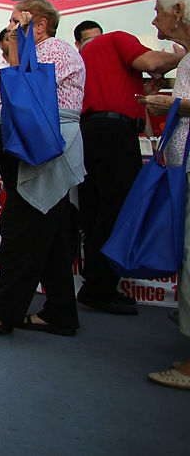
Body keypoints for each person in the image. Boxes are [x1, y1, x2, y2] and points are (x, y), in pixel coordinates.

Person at [0, 0, 85, 337]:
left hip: (42, 147)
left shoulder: (55, 49)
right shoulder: (40, 49)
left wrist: (17, 39)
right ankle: (60, 312)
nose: (11, 27)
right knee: (49, 233)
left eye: (17, 21)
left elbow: (27, 87)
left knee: (21, 229)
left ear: (40, 24)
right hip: (35, 145)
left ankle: (1, 312)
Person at [77, 25, 180, 315]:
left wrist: (141, 91)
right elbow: (153, 62)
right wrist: (182, 56)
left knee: (96, 212)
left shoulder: (92, 54)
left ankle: (98, 284)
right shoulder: (119, 39)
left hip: (92, 131)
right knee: (116, 210)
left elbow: (117, 87)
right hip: (113, 133)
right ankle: (99, 288)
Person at [142, 0, 190, 390]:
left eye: (159, 9)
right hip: (180, 170)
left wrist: (172, 103)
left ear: (178, 11)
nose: (154, 16)